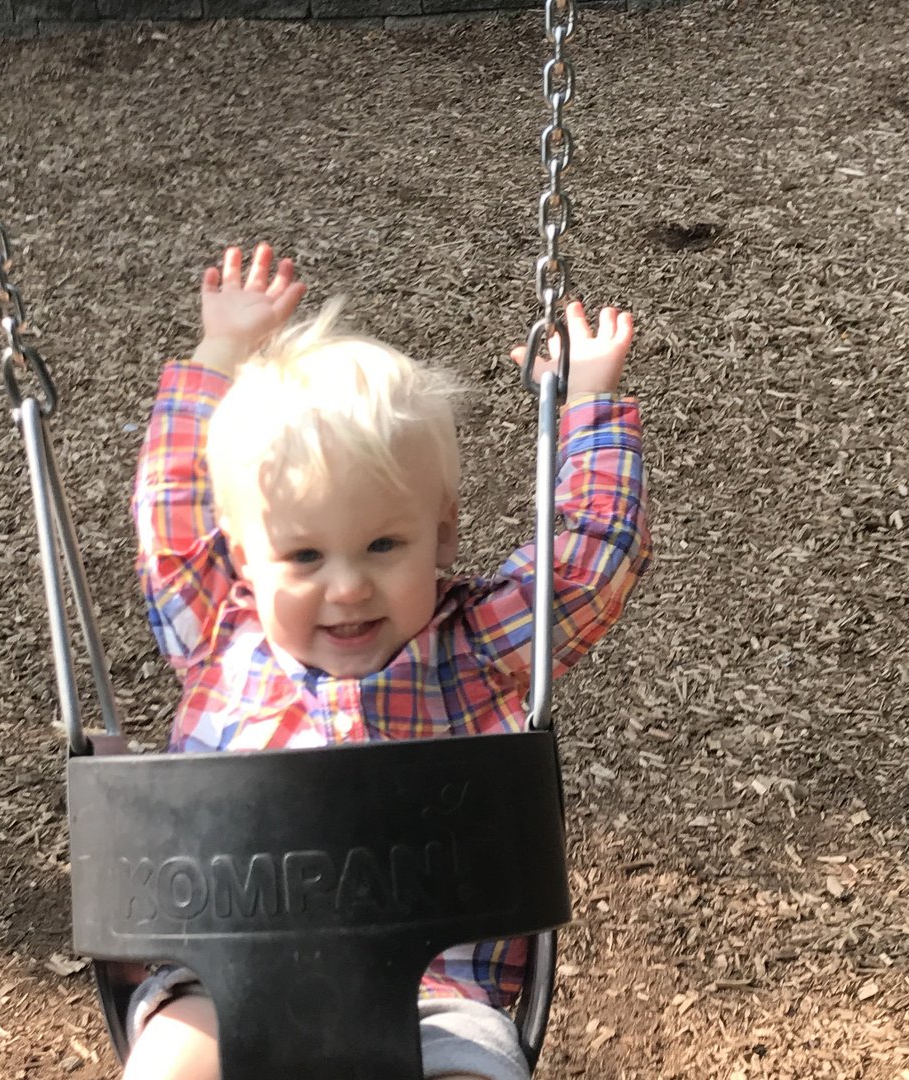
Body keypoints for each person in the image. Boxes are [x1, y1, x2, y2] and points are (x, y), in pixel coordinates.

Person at [125, 243, 652, 1080]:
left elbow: (590, 556)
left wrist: (585, 403)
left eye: (383, 544)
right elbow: (167, 508)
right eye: (302, 556)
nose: (346, 586)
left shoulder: (475, 645)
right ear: (240, 555)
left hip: (434, 994)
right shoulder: (215, 631)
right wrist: (218, 356)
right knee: (171, 1059)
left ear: (440, 534)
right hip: (227, 979)